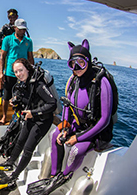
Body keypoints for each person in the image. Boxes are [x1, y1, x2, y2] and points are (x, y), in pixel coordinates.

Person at [36, 39, 113, 194]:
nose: (76, 68)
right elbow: (67, 106)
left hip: (95, 132)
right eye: (72, 64)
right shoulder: (73, 81)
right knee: (54, 135)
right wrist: (65, 128)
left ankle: (63, 178)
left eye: (81, 63)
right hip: (76, 125)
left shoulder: (102, 83)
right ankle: (54, 175)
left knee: (75, 151)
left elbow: (104, 120)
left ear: (88, 61)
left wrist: (77, 138)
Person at [0, 58, 56, 193]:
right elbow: (25, 101)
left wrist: (33, 113)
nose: (18, 74)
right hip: (30, 117)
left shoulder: (38, 84)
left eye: (21, 70)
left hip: (42, 120)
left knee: (28, 148)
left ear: (28, 69)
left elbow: (52, 103)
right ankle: (10, 163)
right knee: (19, 141)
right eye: (16, 72)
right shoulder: (23, 84)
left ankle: (14, 176)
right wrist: (16, 102)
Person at [0, 18, 34, 124]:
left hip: (24, 74)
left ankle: (20, 117)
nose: (23, 31)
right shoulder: (7, 39)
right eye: (20, 29)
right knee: (6, 96)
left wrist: (32, 71)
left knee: (23, 96)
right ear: (15, 28)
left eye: (24, 29)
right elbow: (2, 56)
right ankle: (4, 117)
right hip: (10, 72)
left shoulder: (28, 41)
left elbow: (30, 57)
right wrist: (1, 73)